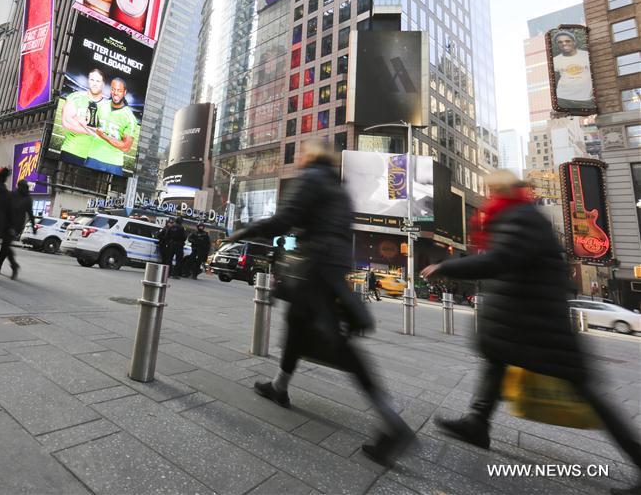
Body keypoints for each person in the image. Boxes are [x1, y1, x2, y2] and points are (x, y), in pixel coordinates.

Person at [421, 170, 641, 495]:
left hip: (538, 322)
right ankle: (477, 422)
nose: (489, 195)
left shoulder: (520, 217)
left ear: (503, 191)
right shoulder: (517, 216)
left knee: (585, 391)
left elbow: (502, 260)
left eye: (493, 190)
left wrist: (447, 266)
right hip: (522, 319)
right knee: (496, 362)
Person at [224, 138, 414, 467]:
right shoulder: (337, 188)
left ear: (312, 156)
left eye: (301, 153)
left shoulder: (312, 179)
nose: (297, 157)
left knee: (339, 348)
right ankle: (280, 386)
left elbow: (285, 220)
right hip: (332, 268)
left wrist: (243, 232)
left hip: (317, 270)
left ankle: (392, 421)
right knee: (297, 327)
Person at [85, 77, 139, 176]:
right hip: (93, 156)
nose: (115, 93)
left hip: (114, 163)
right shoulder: (100, 105)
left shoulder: (130, 118)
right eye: (113, 89)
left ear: (124, 92)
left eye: (119, 90)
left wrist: (103, 136)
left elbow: (126, 147)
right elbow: (90, 125)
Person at [60, 69, 106, 167]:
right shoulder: (75, 97)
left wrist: (79, 119)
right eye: (92, 80)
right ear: (88, 81)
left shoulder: (107, 107)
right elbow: (66, 122)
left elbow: (105, 133)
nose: (94, 83)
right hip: (70, 151)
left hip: (95, 158)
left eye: (98, 81)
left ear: (103, 84)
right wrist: (92, 131)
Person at [0, 179, 36, 279]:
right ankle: (0, 265)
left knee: (5, 245)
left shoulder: (28, 199)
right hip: (7, 223)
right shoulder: (12, 195)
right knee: (4, 246)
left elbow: (30, 213)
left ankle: (13, 266)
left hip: (16, 226)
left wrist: (33, 226)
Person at [551, 30, 593, 110]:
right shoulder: (554, 60)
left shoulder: (587, 55)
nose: (564, 44)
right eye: (560, 42)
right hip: (562, 99)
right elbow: (554, 81)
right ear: (557, 45)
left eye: (567, 41)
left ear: (574, 42)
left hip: (586, 100)